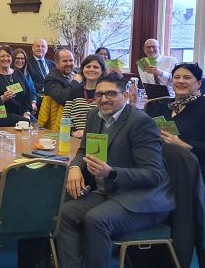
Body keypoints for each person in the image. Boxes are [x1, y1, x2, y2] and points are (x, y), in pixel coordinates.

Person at [58, 74, 174, 268]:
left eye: (111, 93)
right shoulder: (94, 115)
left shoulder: (141, 122)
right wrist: (76, 167)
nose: (104, 99)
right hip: (110, 192)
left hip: (143, 199)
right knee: (65, 213)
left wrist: (111, 172)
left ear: (125, 95)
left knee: (96, 220)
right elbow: (84, 150)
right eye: (99, 94)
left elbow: (154, 175)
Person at [145, 63, 205, 194]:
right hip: (161, 167)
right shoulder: (162, 107)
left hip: (196, 173)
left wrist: (186, 145)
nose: (180, 81)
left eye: (187, 77)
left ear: (199, 84)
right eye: (176, 77)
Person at [0, 45, 33, 121]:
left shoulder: (19, 74)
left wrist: (27, 113)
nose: (6, 59)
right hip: (2, 115)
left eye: (8, 56)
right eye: (2, 56)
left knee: (38, 126)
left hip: (22, 113)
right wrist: (2, 98)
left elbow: (28, 95)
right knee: (26, 122)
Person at [62, 55, 106, 138]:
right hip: (75, 137)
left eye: (96, 67)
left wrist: (87, 133)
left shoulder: (106, 93)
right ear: (83, 70)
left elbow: (109, 120)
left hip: (98, 138)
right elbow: (65, 119)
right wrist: (73, 132)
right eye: (88, 66)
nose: (91, 69)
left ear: (102, 71)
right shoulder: (74, 91)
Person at [11, 48, 38, 112]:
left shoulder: (26, 74)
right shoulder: (9, 75)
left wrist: (33, 102)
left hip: (28, 106)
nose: (20, 61)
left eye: (22, 59)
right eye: (17, 58)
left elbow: (33, 91)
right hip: (16, 107)